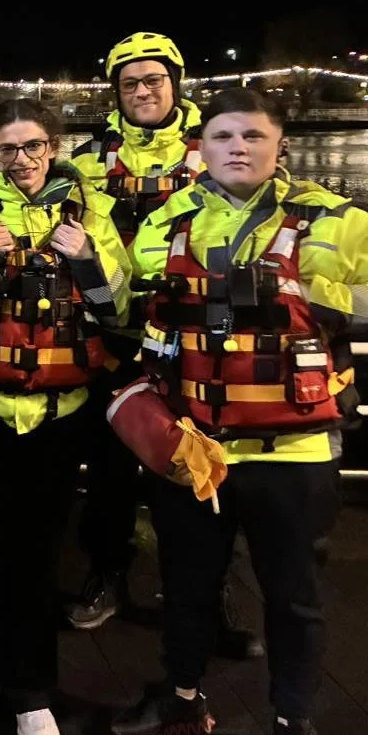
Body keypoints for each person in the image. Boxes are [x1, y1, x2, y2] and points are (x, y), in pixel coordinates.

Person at [109, 87, 368, 735]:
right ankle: (183, 700)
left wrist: (313, 294)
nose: (237, 148)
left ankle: (291, 719)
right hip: (194, 447)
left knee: (293, 595)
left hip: (296, 450)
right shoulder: (168, 221)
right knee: (187, 588)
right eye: (223, 136)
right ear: (202, 145)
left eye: (253, 136)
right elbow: (133, 306)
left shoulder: (338, 221)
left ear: (281, 146)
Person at [0, 98, 130, 735]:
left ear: (54, 148)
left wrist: (90, 257)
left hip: (59, 415)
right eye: (8, 149)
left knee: (38, 559)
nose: (22, 160)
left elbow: (121, 305)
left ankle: (32, 690)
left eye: (33, 146)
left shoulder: (91, 213)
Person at [68, 32, 261, 658]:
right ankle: (109, 573)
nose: (143, 92)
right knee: (108, 470)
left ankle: (211, 591)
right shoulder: (88, 160)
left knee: (204, 469)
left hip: (194, 339)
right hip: (112, 335)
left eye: (154, 80)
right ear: (115, 93)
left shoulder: (212, 148)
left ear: (176, 84)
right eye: (130, 83)